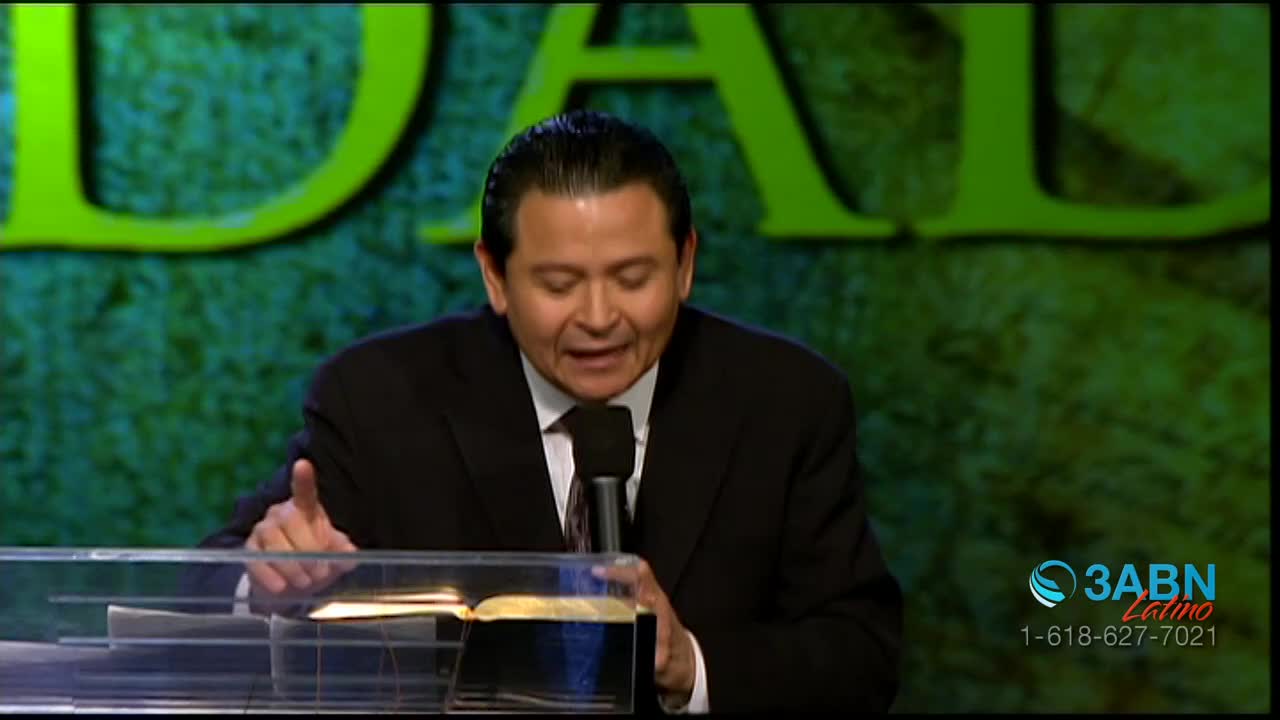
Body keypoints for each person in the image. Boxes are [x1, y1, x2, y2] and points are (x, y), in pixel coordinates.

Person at [192, 109, 903, 712]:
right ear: (495, 277)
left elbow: (861, 651)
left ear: (685, 264)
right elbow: (206, 579)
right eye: (560, 284)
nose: (599, 318)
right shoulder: (382, 399)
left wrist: (689, 664)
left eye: (633, 278)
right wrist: (264, 576)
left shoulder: (785, 401)